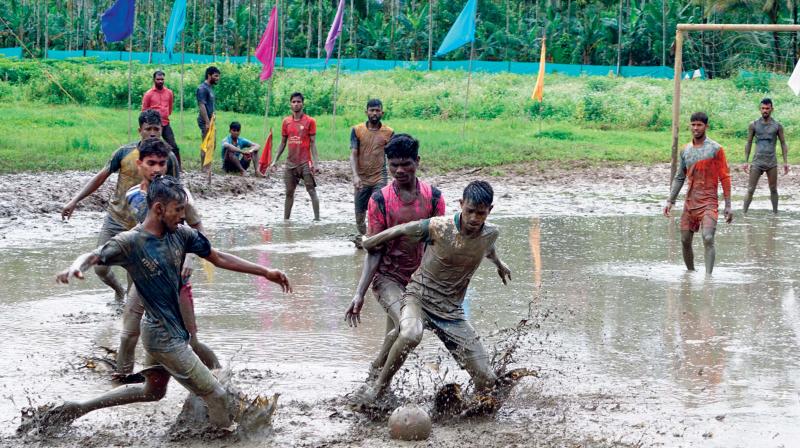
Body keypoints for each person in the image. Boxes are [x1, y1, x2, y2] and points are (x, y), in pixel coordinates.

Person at [52, 175, 292, 429]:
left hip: (165, 330)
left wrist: (265, 272)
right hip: (162, 337)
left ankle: (79, 408)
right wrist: (74, 267)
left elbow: (218, 257)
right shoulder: (131, 242)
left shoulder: (182, 234)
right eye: (178, 210)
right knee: (218, 396)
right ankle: (221, 439)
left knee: (152, 392)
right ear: (158, 209)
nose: (182, 216)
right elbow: (93, 255)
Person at [355, 180, 511, 403]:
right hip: (419, 299)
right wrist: (370, 242)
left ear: (490, 211)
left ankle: (462, 408)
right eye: (470, 211)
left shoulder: (491, 233)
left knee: (487, 380)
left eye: (481, 213)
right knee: (409, 334)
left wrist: (499, 264)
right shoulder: (439, 226)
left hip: (452, 313)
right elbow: (401, 229)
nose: (475, 219)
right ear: (461, 204)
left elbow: (488, 247)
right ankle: (378, 387)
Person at [344, 134, 445, 384]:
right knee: (406, 330)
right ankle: (376, 379)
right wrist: (360, 293)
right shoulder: (379, 200)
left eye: (405, 164)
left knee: (397, 332)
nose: (399, 170)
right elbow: (374, 249)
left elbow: (438, 247)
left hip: (418, 280)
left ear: (417, 162)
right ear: (387, 165)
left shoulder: (433, 198)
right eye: (393, 165)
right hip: (387, 278)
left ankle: (378, 385)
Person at [118, 138, 219, 377]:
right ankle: (121, 381)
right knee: (128, 334)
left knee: (190, 340)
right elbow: (134, 235)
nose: (157, 169)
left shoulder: (179, 195)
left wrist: (191, 258)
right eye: (151, 163)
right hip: (146, 277)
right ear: (139, 163)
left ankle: (220, 375)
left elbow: (198, 228)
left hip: (176, 278)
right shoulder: (132, 196)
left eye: (162, 163)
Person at [61, 110, 179, 302]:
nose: (151, 133)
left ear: (161, 130)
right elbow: (100, 177)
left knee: (136, 275)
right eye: (147, 129)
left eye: (156, 129)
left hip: (144, 224)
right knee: (100, 266)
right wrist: (74, 200)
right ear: (139, 130)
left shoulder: (168, 159)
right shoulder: (125, 153)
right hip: (116, 217)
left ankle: (129, 318)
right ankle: (118, 291)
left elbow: (176, 191)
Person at [664, 112, 733, 275]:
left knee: (708, 238)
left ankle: (708, 279)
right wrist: (670, 200)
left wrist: (728, 205)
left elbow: (724, 176)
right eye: (693, 124)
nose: (695, 128)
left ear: (706, 127)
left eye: (699, 125)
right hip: (690, 203)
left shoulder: (716, 149)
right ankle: (690, 274)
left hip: (709, 202)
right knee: (684, 240)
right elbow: (679, 177)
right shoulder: (685, 150)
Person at [270, 92, 321, 221]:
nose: (296, 104)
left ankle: (317, 220)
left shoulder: (310, 121)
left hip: (305, 162)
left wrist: (316, 163)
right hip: (290, 163)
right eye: (294, 102)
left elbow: (313, 144)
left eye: (298, 101)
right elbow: (282, 143)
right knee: (289, 193)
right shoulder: (286, 122)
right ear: (290, 104)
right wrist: (274, 161)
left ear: (302, 104)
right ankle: (286, 221)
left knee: (311, 190)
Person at [349, 99, 394, 245]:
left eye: (377, 110)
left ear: (382, 112)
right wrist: (355, 176)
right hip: (361, 178)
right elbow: (353, 154)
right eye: (371, 110)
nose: (374, 113)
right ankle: (364, 237)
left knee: (377, 208)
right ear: (366, 112)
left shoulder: (389, 132)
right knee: (359, 214)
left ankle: (375, 238)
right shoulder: (357, 130)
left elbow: (392, 156)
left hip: (379, 177)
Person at [742, 98, 790, 214]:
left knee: (773, 189)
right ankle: (744, 214)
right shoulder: (753, 125)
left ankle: (775, 215)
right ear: (760, 109)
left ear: (771, 109)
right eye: (763, 108)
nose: (765, 111)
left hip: (771, 162)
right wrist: (745, 161)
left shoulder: (777, 126)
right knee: (750, 189)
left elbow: (783, 143)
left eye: (767, 108)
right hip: (757, 161)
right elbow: (748, 142)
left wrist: (785, 162)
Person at [142, 70, 181, 168]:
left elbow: (170, 108)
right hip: (153, 125)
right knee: (149, 146)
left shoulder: (169, 93)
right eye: (158, 79)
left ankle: (177, 168)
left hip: (165, 123)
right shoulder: (148, 94)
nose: (160, 81)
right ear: (154, 80)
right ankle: (146, 165)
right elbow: (144, 111)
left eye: (162, 79)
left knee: (174, 146)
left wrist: (165, 115)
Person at [197, 66, 220, 164]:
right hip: (205, 121)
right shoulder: (202, 88)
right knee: (206, 144)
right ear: (209, 75)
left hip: (211, 120)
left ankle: (207, 165)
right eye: (216, 76)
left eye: (218, 76)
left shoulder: (210, 88)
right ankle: (204, 167)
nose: (218, 78)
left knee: (212, 144)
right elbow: (202, 106)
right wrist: (207, 122)